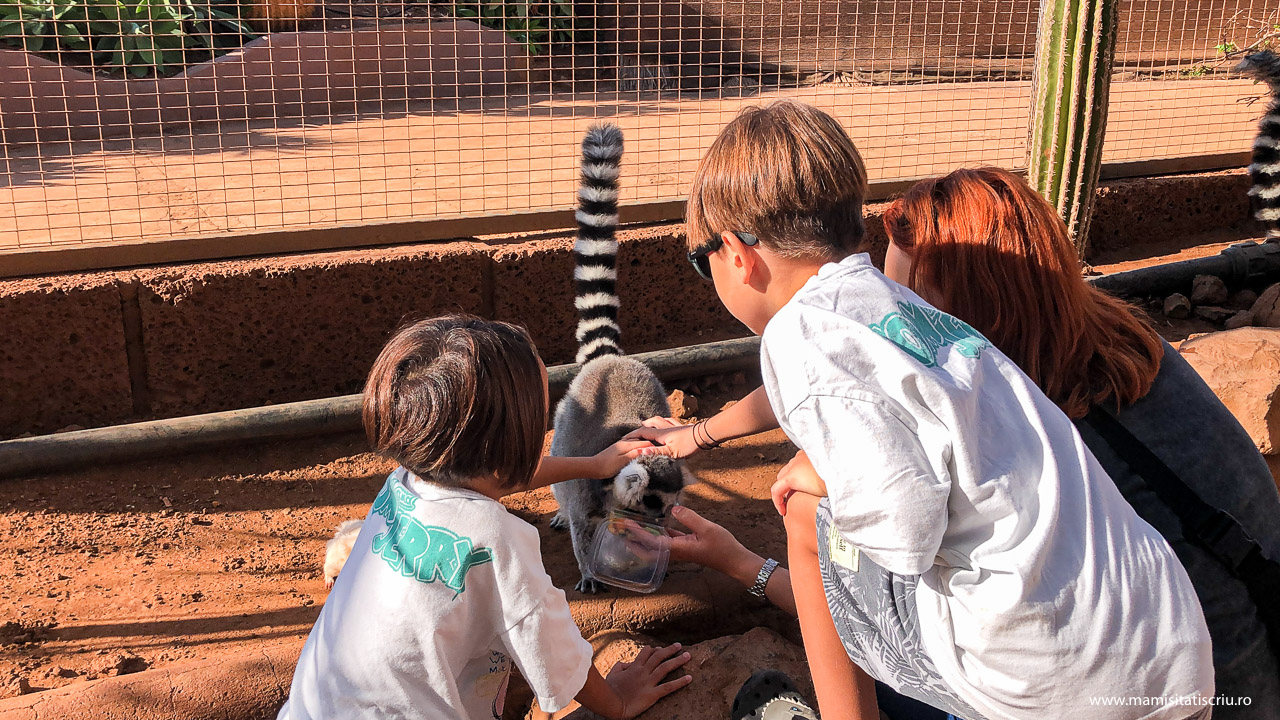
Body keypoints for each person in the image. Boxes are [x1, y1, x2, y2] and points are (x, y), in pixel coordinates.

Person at [628, 100, 1214, 720]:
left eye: (702, 263)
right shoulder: (890, 307)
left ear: (737, 254)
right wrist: (702, 433)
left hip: (1046, 680)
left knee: (808, 510)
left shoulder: (795, 335)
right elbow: (831, 394)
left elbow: (902, 535)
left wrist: (828, 479)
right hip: (1168, 651)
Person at [880, 167, 1280, 717]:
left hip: (1194, 696)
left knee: (901, 668)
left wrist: (752, 571)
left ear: (972, 311)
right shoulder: (1124, 342)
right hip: (1255, 655)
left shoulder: (1023, 433)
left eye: (911, 308)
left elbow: (908, 545)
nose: (895, 326)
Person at [279, 315, 692, 720]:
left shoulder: (403, 484)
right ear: (507, 447)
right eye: (539, 422)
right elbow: (549, 643)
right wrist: (617, 703)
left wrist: (594, 465)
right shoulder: (496, 539)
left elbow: (497, 477)